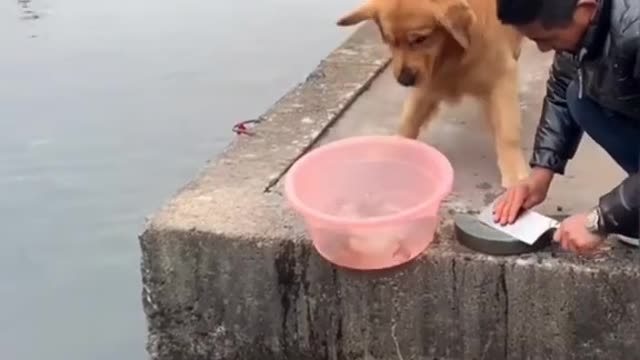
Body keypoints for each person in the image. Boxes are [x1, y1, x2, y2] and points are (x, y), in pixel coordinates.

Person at [493, 0, 639, 254]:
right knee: (578, 96)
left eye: (547, 38)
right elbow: (563, 83)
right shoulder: (588, 23)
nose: (542, 49)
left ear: (586, 7)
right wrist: (540, 174)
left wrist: (600, 220)